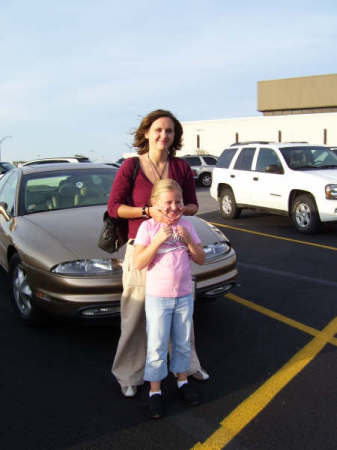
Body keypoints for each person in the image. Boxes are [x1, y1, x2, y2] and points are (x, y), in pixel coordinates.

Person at [107, 109, 209, 397]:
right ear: (147, 133)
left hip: (175, 251)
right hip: (142, 248)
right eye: (159, 130)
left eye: (170, 131)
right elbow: (114, 208)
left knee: (182, 318)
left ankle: (187, 367)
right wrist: (148, 211)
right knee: (136, 315)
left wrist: (175, 210)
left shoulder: (181, 168)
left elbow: (192, 205)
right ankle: (129, 373)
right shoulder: (131, 166)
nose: (164, 135)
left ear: (175, 137)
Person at [134, 179, 205, 418]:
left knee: (183, 341)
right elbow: (139, 262)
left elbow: (201, 258)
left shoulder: (187, 226)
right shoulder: (148, 228)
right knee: (157, 344)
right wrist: (158, 240)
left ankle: (182, 381)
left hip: (184, 295)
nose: (174, 207)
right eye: (168, 203)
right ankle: (155, 390)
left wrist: (187, 240)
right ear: (154, 203)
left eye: (178, 202)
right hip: (159, 298)